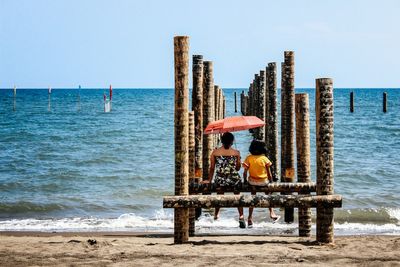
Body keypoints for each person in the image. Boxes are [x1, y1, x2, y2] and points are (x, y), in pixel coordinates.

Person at [203, 132, 245, 228]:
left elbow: (212, 168)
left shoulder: (215, 152)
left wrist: (209, 180)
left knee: (220, 195)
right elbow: (238, 169)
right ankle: (241, 216)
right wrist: (239, 160)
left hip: (220, 179)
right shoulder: (236, 152)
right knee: (237, 195)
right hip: (234, 179)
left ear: (221, 141)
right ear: (232, 141)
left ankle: (217, 215)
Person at [242, 139, 280, 228]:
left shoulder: (249, 158)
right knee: (268, 195)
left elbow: (245, 172)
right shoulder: (264, 158)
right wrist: (271, 181)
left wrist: (245, 181)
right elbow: (269, 173)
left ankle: (250, 218)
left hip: (252, 182)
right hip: (263, 182)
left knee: (253, 197)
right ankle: (272, 213)